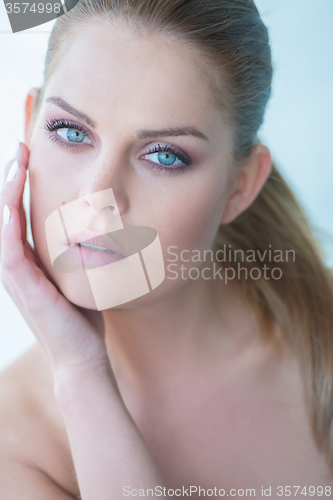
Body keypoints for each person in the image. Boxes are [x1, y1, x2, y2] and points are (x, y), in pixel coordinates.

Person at [0, 0, 333, 498]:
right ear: (30, 124)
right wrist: (81, 373)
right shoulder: (13, 442)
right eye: (71, 132)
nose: (98, 197)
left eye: (164, 156)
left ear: (240, 186)